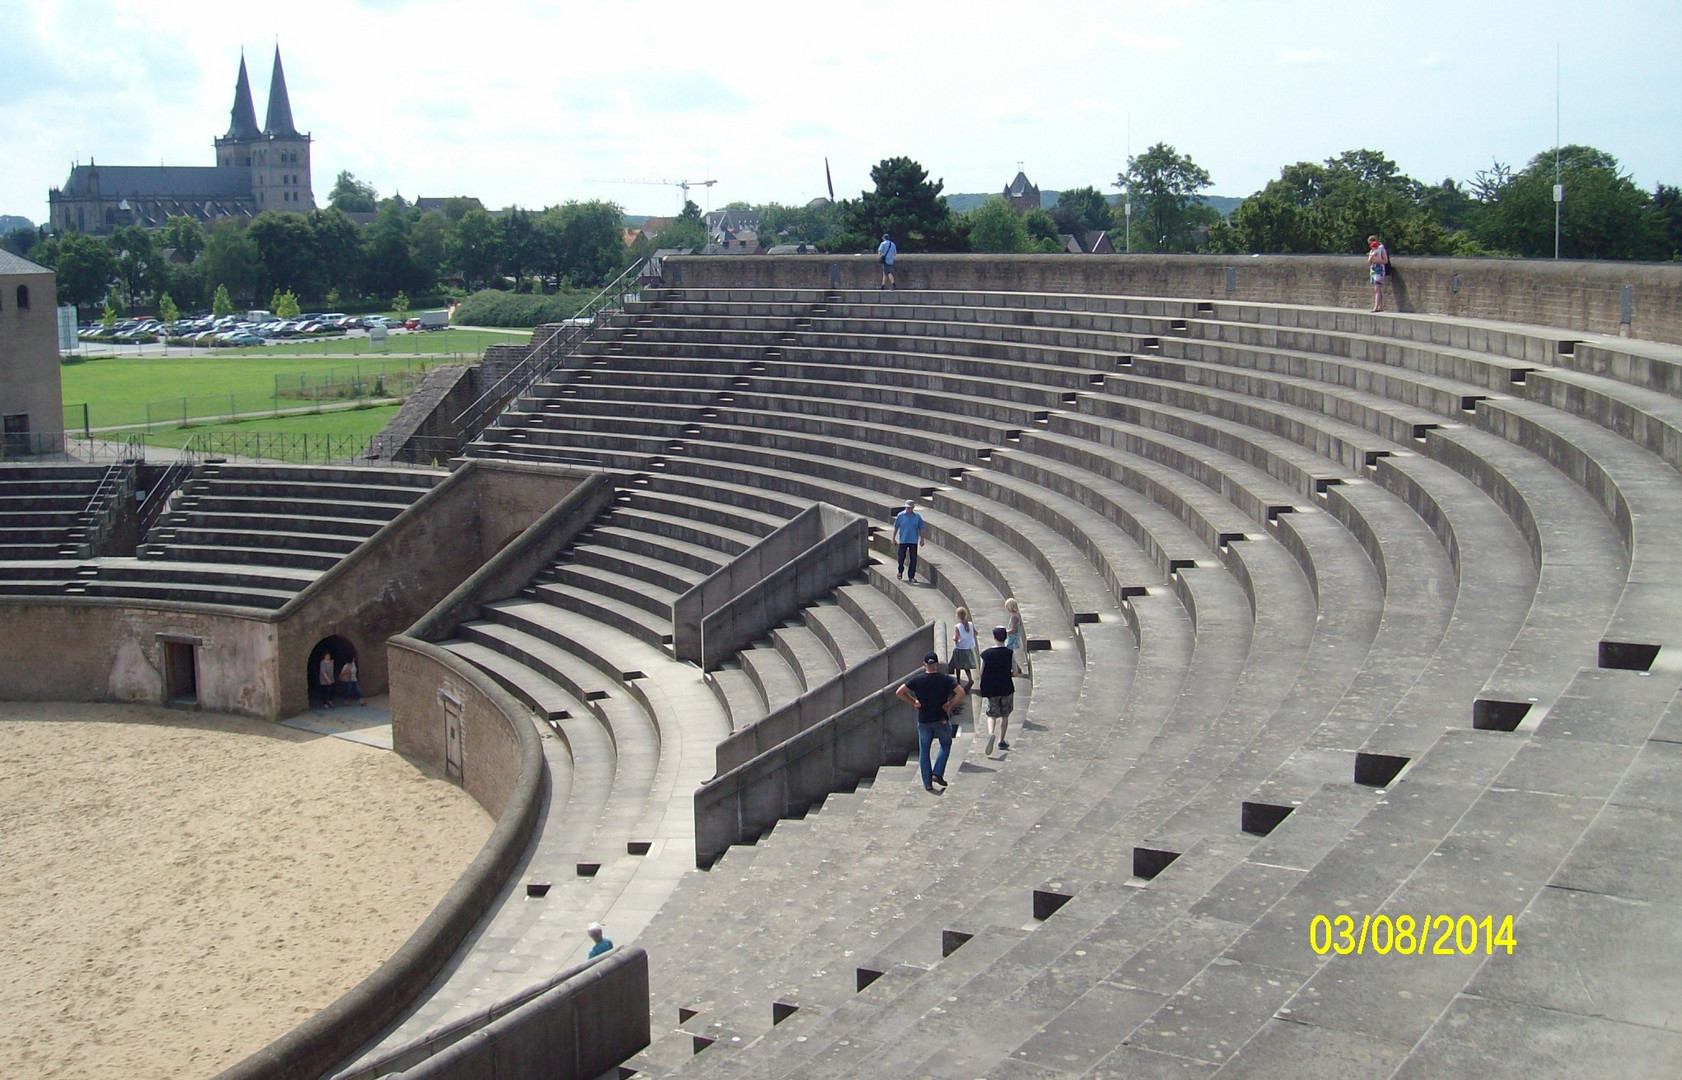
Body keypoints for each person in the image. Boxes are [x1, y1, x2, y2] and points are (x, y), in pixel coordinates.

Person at [896, 651, 965, 792]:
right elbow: (961, 692)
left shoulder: (917, 680)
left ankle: (927, 783)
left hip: (924, 720)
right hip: (941, 719)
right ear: (937, 664)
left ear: (924, 665)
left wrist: (913, 701)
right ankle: (937, 772)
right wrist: (950, 704)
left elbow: (899, 692)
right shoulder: (945, 679)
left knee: (924, 751)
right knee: (945, 745)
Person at [978, 626, 1017, 755]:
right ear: (1005, 638)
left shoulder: (986, 654)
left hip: (992, 688)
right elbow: (1015, 672)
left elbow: (981, 672)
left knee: (992, 714)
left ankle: (991, 734)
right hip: (1006, 687)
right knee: (1005, 715)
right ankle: (1002, 740)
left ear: (994, 638)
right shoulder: (1009, 653)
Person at [893, 499, 926, 582]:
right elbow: (896, 527)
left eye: (910, 508)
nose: (908, 509)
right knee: (901, 557)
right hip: (903, 540)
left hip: (913, 540)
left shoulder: (917, 517)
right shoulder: (900, 515)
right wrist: (893, 538)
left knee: (913, 559)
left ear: (913, 508)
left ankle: (911, 576)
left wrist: (922, 539)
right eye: (907, 508)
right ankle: (900, 571)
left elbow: (921, 528)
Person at [949, 607, 978, 691]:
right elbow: (975, 633)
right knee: (966, 667)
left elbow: (957, 638)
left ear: (957, 616)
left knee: (958, 666)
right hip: (968, 648)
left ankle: (958, 682)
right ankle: (970, 679)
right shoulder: (970, 624)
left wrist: (954, 638)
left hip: (960, 648)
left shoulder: (958, 626)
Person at [1003, 598, 1026, 679]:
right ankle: (1018, 668)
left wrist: (1005, 631)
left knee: (1008, 654)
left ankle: (1015, 669)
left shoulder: (1014, 617)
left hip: (1012, 638)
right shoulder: (1017, 615)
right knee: (1010, 654)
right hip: (1014, 637)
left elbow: (1013, 630)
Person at [1367, 235, 1390, 312]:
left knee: (1377, 289)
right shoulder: (1372, 251)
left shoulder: (1382, 250)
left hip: (1379, 271)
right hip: (1373, 271)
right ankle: (1380, 306)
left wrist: (1377, 260)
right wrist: (1371, 257)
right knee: (1377, 289)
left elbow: (1385, 261)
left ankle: (1376, 307)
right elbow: (1369, 262)